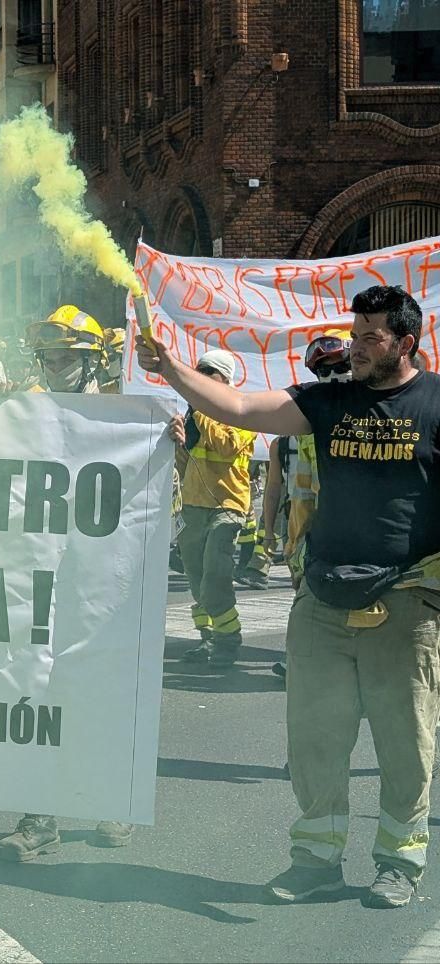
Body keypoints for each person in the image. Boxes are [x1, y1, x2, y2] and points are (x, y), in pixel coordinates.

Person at [137, 285, 440, 909]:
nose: (355, 348)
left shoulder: (437, 403)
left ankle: (398, 861)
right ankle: (316, 859)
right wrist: (170, 368)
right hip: (323, 600)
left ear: (406, 343)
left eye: (369, 338)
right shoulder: (328, 401)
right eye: (353, 335)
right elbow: (243, 406)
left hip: (407, 602)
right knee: (315, 740)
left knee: (404, 742)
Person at [0, 305, 134, 859]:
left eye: (65, 355)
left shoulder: (126, 412)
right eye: (48, 356)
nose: (54, 364)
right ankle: (39, 816)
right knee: (38, 688)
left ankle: (110, 802)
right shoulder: (27, 409)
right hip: (41, 568)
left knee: (100, 688)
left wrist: (173, 433)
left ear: (91, 359)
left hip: (104, 575)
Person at [265, 330, 354, 680]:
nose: (333, 376)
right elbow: (275, 488)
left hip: (350, 532)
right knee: (306, 602)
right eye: (324, 370)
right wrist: (269, 532)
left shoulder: (370, 421)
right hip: (302, 539)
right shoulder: (288, 437)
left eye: (340, 365)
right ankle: (302, 662)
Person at [173, 349, 256, 668]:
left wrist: (204, 409)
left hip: (228, 506)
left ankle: (227, 641)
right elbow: (183, 464)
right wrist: (178, 439)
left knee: (215, 577)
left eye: (211, 374)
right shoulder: (192, 415)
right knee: (196, 578)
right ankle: (207, 639)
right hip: (192, 505)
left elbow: (227, 444)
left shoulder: (241, 410)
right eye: (200, 372)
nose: (203, 379)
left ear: (225, 379)